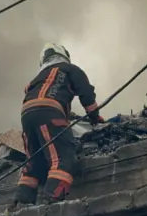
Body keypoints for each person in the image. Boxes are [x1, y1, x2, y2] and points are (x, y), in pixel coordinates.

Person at [16, 43, 103, 206]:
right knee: (63, 157)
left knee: (35, 161)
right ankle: (51, 199)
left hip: (26, 115)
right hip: (49, 112)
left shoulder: (36, 79)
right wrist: (95, 117)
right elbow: (86, 93)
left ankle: (22, 202)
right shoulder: (70, 69)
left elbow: (30, 95)